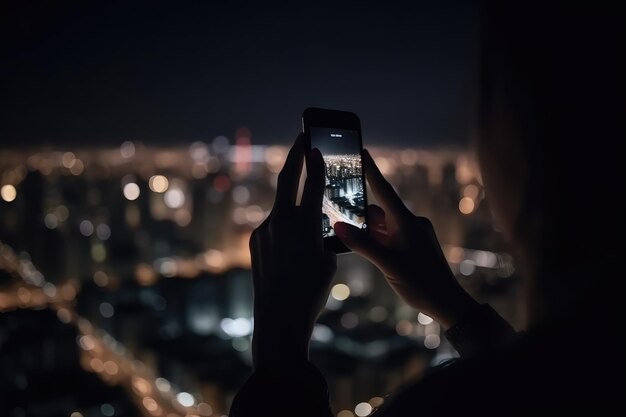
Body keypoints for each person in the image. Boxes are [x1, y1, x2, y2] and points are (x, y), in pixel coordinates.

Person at [230, 4, 623, 416]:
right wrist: (455, 307)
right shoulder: (604, 365)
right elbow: (542, 381)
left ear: (511, 127)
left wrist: (279, 358)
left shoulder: (443, 404)